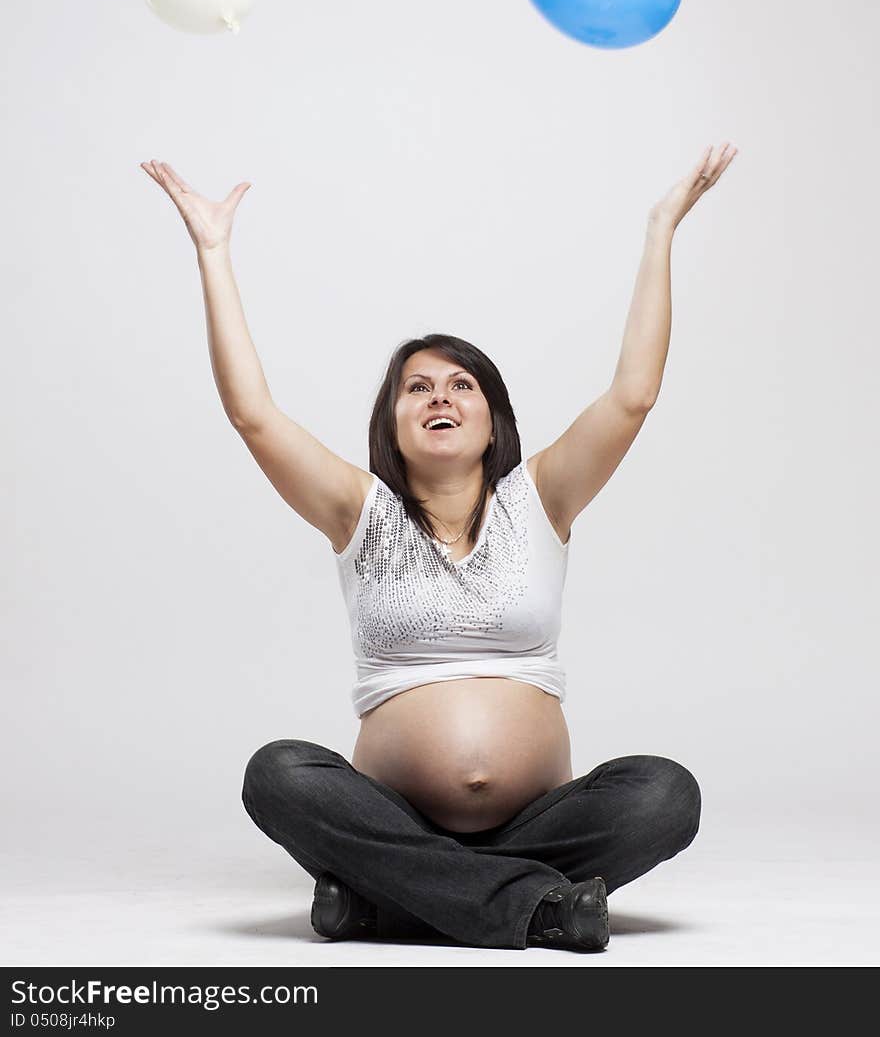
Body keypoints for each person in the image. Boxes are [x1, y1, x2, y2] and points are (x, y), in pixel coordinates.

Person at [139, 143, 737, 952]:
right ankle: (537, 906)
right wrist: (214, 253)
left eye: (463, 385)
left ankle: (396, 894)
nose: (440, 397)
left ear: (494, 418)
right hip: (391, 810)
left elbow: (632, 395)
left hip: (540, 818)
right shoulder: (361, 510)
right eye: (418, 387)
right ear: (393, 421)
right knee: (278, 772)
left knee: (664, 793)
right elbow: (253, 414)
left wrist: (660, 229)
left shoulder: (542, 496)